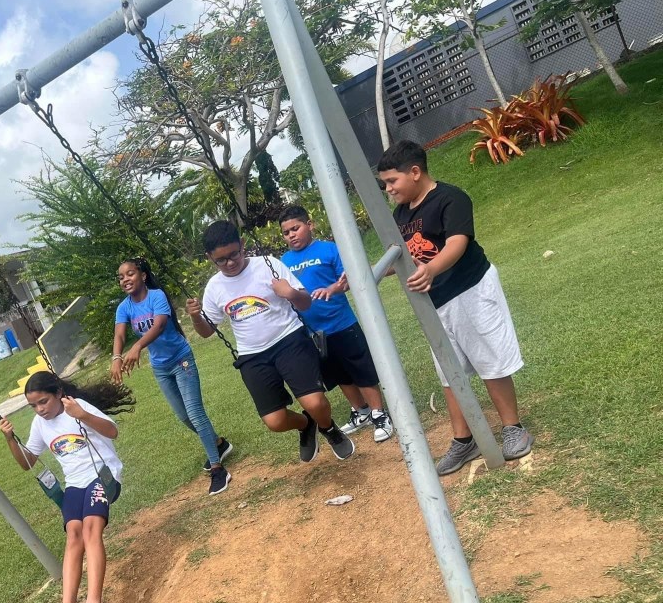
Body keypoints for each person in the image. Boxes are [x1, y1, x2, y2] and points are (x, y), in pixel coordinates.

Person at [377, 140, 533, 474]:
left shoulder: (451, 198)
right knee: (449, 371)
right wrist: (366, 273)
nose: (388, 189)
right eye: (385, 184)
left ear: (415, 172)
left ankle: (513, 428)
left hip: (470, 289)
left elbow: (457, 243)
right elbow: (402, 254)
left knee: (489, 359)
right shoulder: (401, 213)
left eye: (392, 181)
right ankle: (464, 441)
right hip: (436, 301)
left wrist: (431, 269)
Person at [185, 220, 355, 463]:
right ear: (209, 258)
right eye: (221, 260)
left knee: (315, 402)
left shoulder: (267, 265)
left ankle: (329, 429)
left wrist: (290, 293)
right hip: (252, 355)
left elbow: (305, 303)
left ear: (242, 244)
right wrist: (195, 318)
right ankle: (306, 424)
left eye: (234, 254)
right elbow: (206, 332)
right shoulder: (214, 287)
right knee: (275, 421)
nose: (230, 263)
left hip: (289, 339)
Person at [0, 371, 132, 603]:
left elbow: (112, 431)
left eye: (43, 402)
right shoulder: (39, 424)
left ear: (58, 393)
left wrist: (81, 415)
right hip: (74, 484)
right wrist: (10, 439)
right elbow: (27, 463)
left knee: (91, 529)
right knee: (73, 535)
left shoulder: (78, 407)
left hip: (102, 476)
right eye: (33, 406)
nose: (40, 409)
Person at [112, 257, 233, 496]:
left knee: (195, 413)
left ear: (143, 275)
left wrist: (137, 347)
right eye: (121, 277)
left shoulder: (156, 296)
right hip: (160, 367)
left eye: (130, 274)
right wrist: (116, 357)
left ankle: (218, 468)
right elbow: (119, 335)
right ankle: (219, 444)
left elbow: (158, 326)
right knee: (184, 417)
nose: (125, 279)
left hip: (181, 359)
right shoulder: (124, 307)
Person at [278, 205, 394, 444]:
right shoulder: (284, 261)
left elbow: (349, 279)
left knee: (361, 371)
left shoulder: (328, 249)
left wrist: (332, 288)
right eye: (286, 232)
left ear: (309, 225)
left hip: (342, 324)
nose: (291, 235)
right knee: (339, 374)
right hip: (314, 333)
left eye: (295, 228)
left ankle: (379, 414)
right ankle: (360, 411)